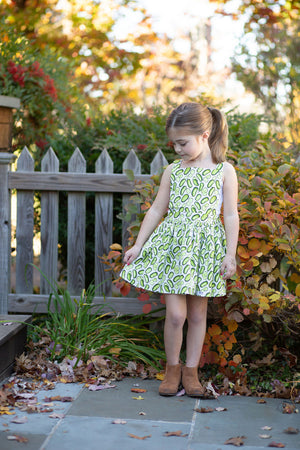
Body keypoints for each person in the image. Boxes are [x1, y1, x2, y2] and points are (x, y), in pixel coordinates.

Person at [120, 102, 239, 397]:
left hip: (204, 250)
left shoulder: (224, 171)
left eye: (183, 143)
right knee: (175, 315)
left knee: (198, 315)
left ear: (205, 135)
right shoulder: (174, 171)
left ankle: (191, 372)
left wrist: (230, 254)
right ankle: (172, 369)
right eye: (174, 144)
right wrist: (138, 244)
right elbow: (157, 208)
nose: (178, 150)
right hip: (174, 250)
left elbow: (232, 215)